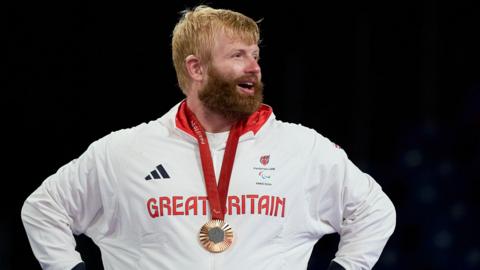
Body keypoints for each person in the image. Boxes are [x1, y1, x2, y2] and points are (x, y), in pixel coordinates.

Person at [21, 5, 395, 270]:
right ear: (196, 68)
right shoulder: (123, 151)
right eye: (237, 55)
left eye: (256, 55)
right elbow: (44, 208)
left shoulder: (302, 148)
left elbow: (373, 210)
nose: (254, 67)